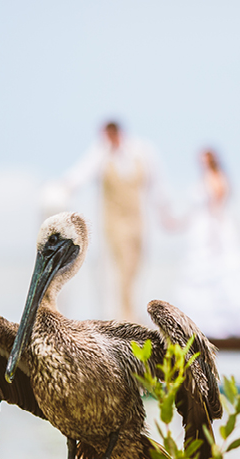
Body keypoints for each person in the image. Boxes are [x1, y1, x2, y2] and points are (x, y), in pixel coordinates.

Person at [52, 121, 166, 322]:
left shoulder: (141, 151)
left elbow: (156, 184)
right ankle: (124, 316)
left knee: (135, 265)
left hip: (137, 219)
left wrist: (164, 212)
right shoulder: (100, 155)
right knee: (120, 265)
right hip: (114, 221)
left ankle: (130, 311)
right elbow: (81, 173)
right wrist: (61, 187)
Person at [170, 149, 240, 338]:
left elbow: (218, 203)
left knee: (217, 271)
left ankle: (222, 322)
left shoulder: (217, 178)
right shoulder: (206, 178)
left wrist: (214, 232)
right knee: (196, 273)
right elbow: (193, 210)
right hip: (199, 227)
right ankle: (200, 322)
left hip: (211, 228)